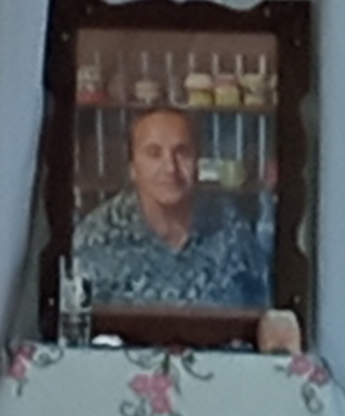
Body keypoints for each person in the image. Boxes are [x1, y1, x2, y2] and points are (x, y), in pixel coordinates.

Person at [69, 105, 268, 311]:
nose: (170, 168)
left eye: (182, 152)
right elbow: (76, 326)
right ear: (132, 168)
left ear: (198, 163)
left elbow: (264, 317)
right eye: (154, 154)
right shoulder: (96, 237)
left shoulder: (231, 229)